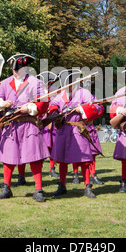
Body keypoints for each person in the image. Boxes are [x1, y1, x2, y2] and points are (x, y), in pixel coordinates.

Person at [0, 54, 50, 202]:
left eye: (22, 68)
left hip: (29, 123)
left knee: (35, 157)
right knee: (8, 158)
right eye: (16, 69)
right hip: (11, 124)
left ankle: (38, 189)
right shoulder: (5, 83)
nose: (18, 71)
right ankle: (6, 188)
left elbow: (44, 103)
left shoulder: (35, 82)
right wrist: (1, 103)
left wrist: (30, 107)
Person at [50, 69, 104, 198]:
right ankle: (62, 185)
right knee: (62, 160)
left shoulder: (84, 93)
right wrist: (54, 111)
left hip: (78, 130)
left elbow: (98, 108)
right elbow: (53, 104)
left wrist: (82, 108)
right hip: (63, 129)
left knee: (84, 160)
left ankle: (87, 186)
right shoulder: (60, 94)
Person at [37, 71, 60, 178]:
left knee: (52, 145)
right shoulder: (37, 91)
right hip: (40, 120)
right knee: (40, 146)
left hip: (51, 119)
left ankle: (52, 168)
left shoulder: (55, 91)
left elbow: (56, 104)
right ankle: (38, 169)